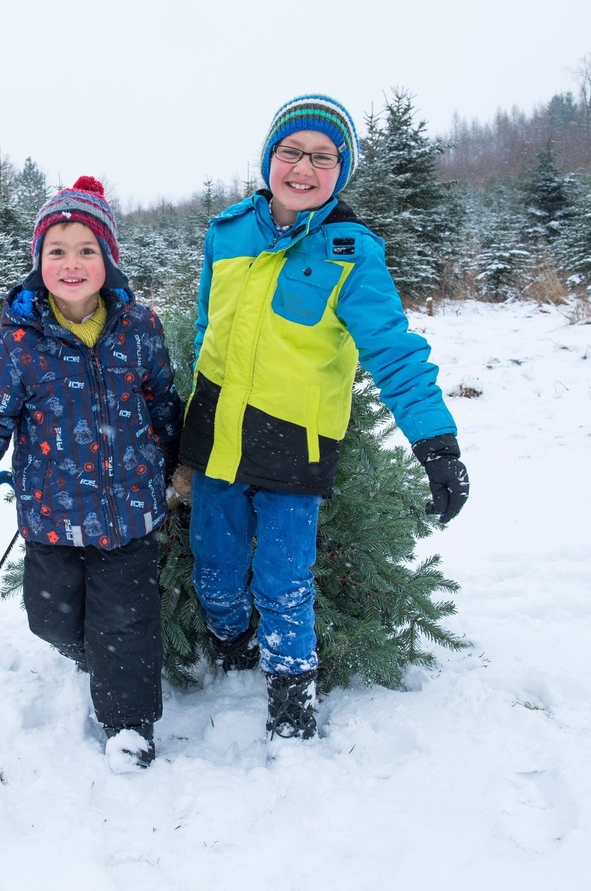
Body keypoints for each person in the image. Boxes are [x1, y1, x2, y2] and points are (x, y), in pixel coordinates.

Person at [172, 94, 470, 741]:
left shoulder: (350, 253)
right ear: (268, 159)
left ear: (342, 170)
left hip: (293, 450)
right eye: (291, 151)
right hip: (218, 441)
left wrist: (436, 442)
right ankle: (233, 651)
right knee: (215, 572)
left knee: (283, 581)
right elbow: (205, 333)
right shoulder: (226, 235)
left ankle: (291, 701)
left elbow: (393, 350)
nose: (304, 167)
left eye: (323, 156)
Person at [0, 176, 183, 768]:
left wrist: (178, 471)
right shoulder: (13, 345)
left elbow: (164, 404)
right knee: (51, 620)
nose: (72, 264)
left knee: (126, 625)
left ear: (109, 259)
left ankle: (129, 727)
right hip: (51, 519)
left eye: (87, 250)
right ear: (38, 260)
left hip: (128, 518)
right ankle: (91, 655)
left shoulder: (139, 329)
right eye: (57, 251)